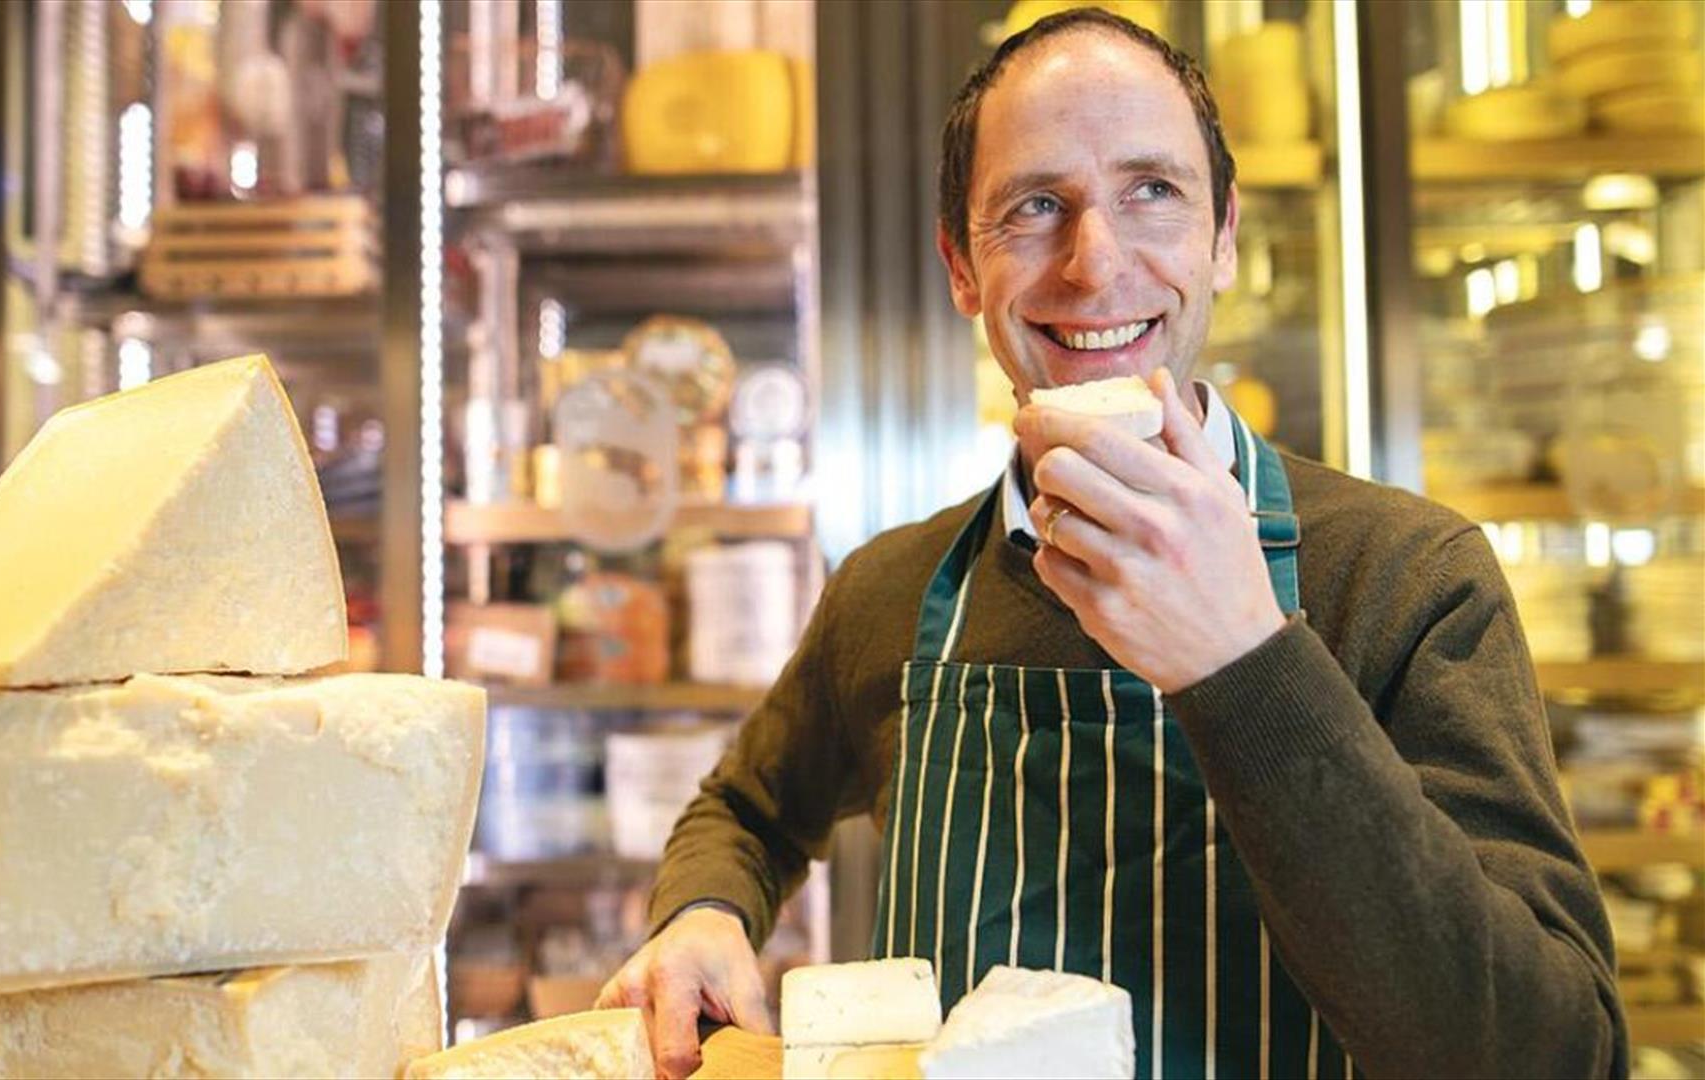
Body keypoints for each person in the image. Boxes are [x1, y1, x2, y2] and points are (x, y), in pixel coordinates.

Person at [598, 10, 1624, 1079]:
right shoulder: (890, 592)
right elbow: (747, 809)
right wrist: (705, 911)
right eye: (1037, 207)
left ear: (1223, 237)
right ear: (961, 269)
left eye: (1154, 193)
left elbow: (1555, 1054)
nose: (1095, 266)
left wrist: (1244, 660)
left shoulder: (1408, 578)